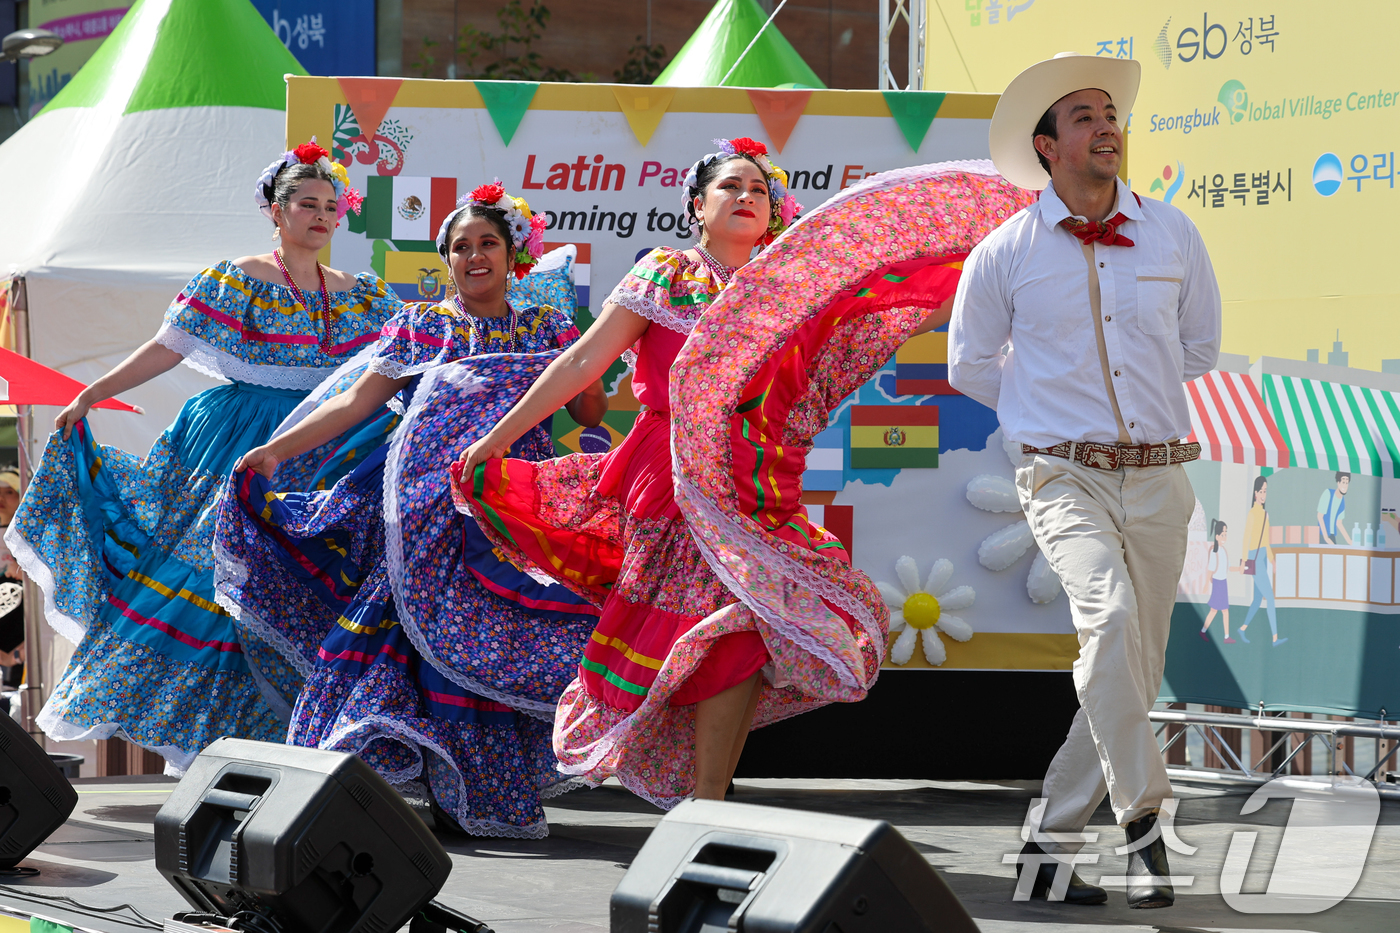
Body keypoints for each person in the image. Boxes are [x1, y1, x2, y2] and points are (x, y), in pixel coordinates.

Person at [451, 138, 1000, 807]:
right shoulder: (667, 273)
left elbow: (892, 303)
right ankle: (708, 803)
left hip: (756, 483)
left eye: (759, 190)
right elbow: (581, 362)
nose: (746, 197)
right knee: (732, 627)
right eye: (730, 187)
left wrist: (998, 259)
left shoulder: (788, 287)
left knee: (749, 633)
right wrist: (499, 437)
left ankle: (708, 801)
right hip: (676, 475)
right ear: (696, 206)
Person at [217, 183, 609, 837]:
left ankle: (477, 786)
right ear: (446, 259)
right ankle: (393, 773)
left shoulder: (546, 325)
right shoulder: (425, 324)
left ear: (514, 254)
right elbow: (355, 404)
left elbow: (589, 412)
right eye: (461, 247)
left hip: (511, 511)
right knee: (409, 640)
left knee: (496, 638)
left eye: (488, 243)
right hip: (422, 511)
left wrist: (581, 356)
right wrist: (275, 451)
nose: (474, 256)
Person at [5, 140, 403, 772]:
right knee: (215, 585)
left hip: (327, 448)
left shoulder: (365, 295)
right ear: (276, 210)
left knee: (310, 595)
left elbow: (398, 368)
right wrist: (92, 393)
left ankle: (299, 748)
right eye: (307, 204)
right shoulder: (236, 278)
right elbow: (167, 346)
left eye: (331, 206)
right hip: (243, 437)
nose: (322, 216)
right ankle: (211, 750)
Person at [949, 53, 1221, 909]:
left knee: (1128, 672)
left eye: (1110, 113)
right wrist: (1043, 406)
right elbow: (968, 364)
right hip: (1063, 474)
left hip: (1161, 478)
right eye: (1084, 117)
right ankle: (1144, 823)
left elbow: (1200, 347)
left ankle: (1048, 844)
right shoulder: (1004, 251)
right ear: (1047, 145)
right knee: (1107, 624)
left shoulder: (1173, 232)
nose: (1107, 127)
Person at [1239, 475, 1284, 647]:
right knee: (1270, 598)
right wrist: (1244, 561)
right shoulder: (1253, 513)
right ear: (1255, 493)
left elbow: (1266, 540)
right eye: (1261, 491)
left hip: (1263, 557)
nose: (1263, 495)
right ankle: (1275, 637)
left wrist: (1272, 560)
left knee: (1258, 598)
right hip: (1255, 559)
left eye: (1265, 491)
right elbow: (1246, 538)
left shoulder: (1265, 514)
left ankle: (1242, 629)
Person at [1199, 520, 1238, 643]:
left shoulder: (1224, 551)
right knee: (1217, 610)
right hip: (1217, 583)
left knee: (1220, 610)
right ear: (1217, 536)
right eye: (1222, 534)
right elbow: (1210, 569)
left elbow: (1229, 567)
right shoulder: (1214, 551)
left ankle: (1221, 635)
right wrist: (1206, 584)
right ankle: (1209, 632)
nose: (1224, 537)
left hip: (1223, 583)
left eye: (1226, 534)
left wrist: (1240, 569)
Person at [1316, 471, 1351, 545]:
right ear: (1338, 483)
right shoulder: (1328, 493)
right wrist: (1326, 538)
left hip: (1332, 535)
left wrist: (1349, 541)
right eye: (1343, 482)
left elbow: (1339, 523)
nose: (1345, 485)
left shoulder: (1342, 501)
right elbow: (1320, 516)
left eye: (1347, 483)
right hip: (1322, 535)